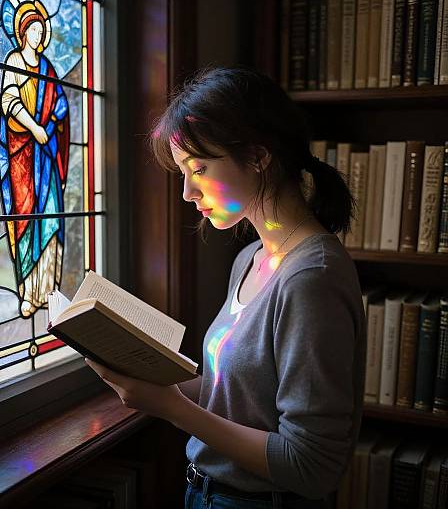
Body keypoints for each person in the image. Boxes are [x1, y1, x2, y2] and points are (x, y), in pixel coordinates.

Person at [85, 66, 366, 509]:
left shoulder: (313, 278)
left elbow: (312, 465)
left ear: (257, 156)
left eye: (198, 168)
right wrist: (153, 383)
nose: (186, 192)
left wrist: (173, 409)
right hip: (204, 490)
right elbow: (238, 397)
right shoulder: (249, 259)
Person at [0, 1, 69, 317]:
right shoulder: (13, 61)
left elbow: (62, 105)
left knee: (51, 215)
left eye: (41, 29)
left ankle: (48, 291)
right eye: (32, 29)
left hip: (46, 154)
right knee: (27, 218)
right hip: (22, 156)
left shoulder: (47, 69)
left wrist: (49, 127)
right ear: (22, 32)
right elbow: (8, 101)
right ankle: (29, 292)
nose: (38, 33)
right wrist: (34, 127)